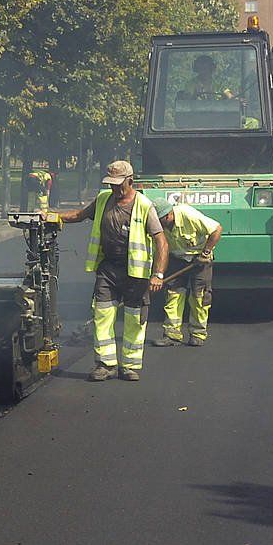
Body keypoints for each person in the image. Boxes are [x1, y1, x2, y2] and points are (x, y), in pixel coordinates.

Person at [47, 160, 168, 382]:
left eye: (117, 184)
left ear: (130, 181)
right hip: (108, 269)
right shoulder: (103, 199)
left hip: (135, 273)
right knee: (102, 314)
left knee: (134, 319)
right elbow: (80, 215)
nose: (113, 188)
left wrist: (158, 274)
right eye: (110, 183)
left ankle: (130, 366)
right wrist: (51, 215)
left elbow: (161, 241)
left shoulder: (143, 205)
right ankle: (105, 364)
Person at [150, 198, 222, 347]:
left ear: (169, 215)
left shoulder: (188, 215)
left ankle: (198, 333)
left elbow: (217, 229)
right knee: (173, 294)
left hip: (199, 257)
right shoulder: (158, 225)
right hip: (176, 257)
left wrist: (206, 252)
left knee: (199, 296)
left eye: (161, 221)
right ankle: (172, 334)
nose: (159, 225)